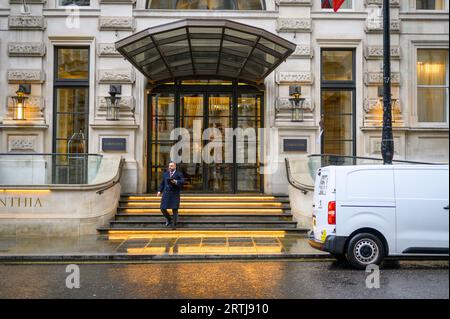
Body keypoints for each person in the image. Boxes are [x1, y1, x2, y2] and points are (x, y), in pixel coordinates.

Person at [157, 162, 185, 228]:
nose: (170, 167)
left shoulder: (179, 174)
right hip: (166, 194)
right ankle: (169, 219)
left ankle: (174, 225)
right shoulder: (165, 174)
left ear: (175, 166)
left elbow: (182, 181)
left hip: (174, 194)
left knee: (175, 209)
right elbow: (162, 184)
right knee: (162, 208)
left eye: (172, 166)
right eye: (169, 166)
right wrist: (159, 191)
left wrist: (176, 181)